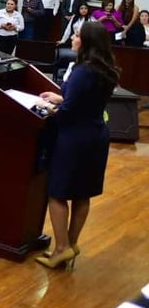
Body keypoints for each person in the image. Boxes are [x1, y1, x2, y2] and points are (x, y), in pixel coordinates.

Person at [35, 21, 120, 269]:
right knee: (82, 194)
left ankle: (60, 249)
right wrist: (62, 98)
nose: (73, 37)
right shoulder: (105, 69)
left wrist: (50, 109)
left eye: (77, 35)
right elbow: (87, 100)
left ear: (86, 42)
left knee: (57, 193)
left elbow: (69, 112)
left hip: (74, 138)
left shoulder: (83, 71)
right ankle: (71, 244)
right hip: (96, 136)